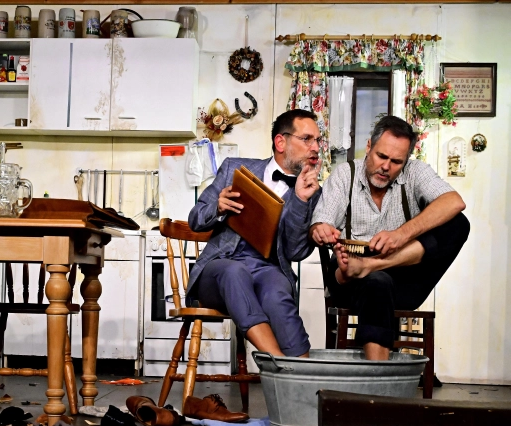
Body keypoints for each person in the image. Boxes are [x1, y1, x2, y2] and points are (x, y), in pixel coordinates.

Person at [310, 115, 469, 360]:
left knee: (458, 224)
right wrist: (321, 228)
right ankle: (378, 378)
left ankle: (372, 265)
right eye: (381, 156)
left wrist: (400, 235)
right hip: (349, 275)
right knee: (377, 283)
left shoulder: (415, 172)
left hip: (403, 277)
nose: (386, 167)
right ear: (369, 146)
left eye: (396, 162)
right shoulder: (345, 175)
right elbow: (322, 221)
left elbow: (454, 202)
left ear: (406, 160)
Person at [186, 109, 323, 357]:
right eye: (307, 139)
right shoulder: (234, 168)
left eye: (318, 140)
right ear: (280, 142)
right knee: (234, 272)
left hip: (267, 269)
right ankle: (278, 363)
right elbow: (195, 219)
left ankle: (303, 374)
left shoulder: (314, 193)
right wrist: (217, 207)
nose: (315, 147)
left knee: (277, 292)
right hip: (220, 268)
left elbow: (295, 252)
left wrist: (301, 200)